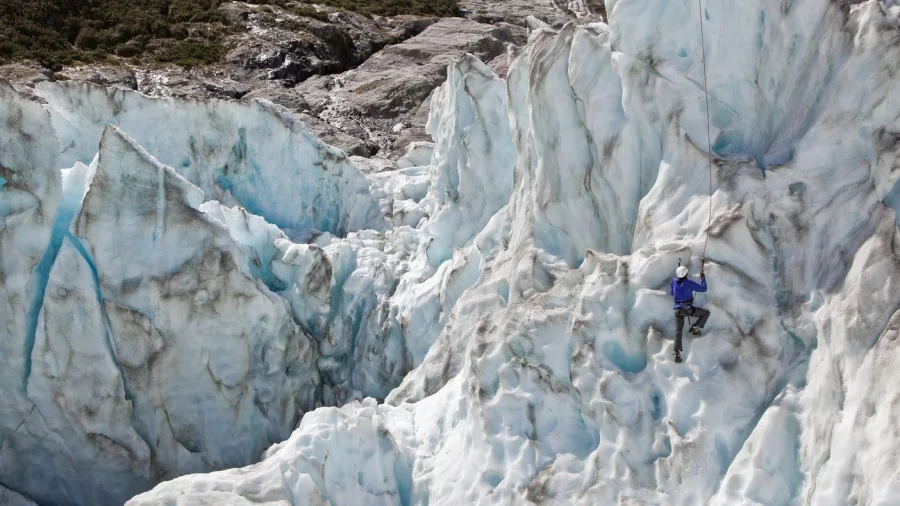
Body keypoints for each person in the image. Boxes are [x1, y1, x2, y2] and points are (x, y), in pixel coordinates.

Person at [670, 265, 710, 363]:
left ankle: (677, 353)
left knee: (678, 331)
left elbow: (672, 293)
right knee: (705, 313)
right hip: (688, 309)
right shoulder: (689, 283)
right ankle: (695, 327)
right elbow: (703, 288)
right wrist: (703, 277)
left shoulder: (674, 282)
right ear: (686, 274)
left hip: (678, 310)